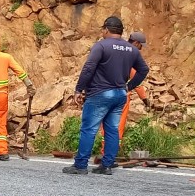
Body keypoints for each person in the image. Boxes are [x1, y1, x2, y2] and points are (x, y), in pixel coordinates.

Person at [64, 16, 149, 175]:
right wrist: (129, 86)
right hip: (119, 95)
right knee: (112, 130)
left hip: (100, 94)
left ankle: (80, 165)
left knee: (89, 129)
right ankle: (107, 165)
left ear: (106, 29)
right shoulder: (131, 49)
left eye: (103, 29)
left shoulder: (101, 46)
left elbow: (89, 68)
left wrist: (79, 89)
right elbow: (144, 70)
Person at [95, 31, 151, 163]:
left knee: (105, 125)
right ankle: (109, 156)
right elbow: (136, 79)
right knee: (116, 126)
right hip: (121, 96)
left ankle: (104, 153)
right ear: (136, 43)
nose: (141, 49)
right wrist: (144, 99)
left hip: (105, 92)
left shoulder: (114, 49)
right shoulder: (130, 55)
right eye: (141, 46)